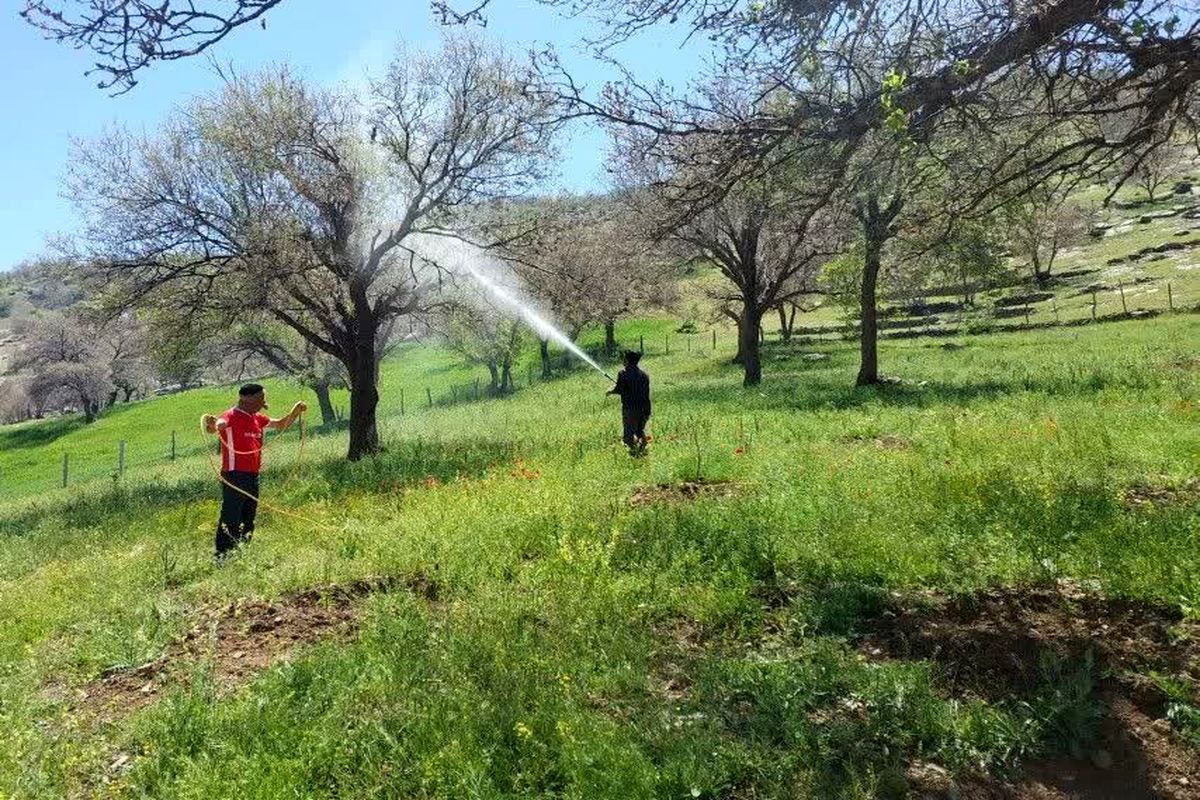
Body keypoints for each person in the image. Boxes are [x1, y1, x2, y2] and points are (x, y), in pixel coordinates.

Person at [201, 384, 306, 560]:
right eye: (261, 398)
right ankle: (223, 556)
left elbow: (280, 424)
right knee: (231, 515)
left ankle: (241, 551)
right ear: (247, 399)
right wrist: (212, 425)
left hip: (252, 475)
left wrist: (295, 412)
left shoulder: (257, 418)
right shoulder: (231, 416)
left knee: (248, 515)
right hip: (234, 475)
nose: (264, 402)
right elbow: (217, 426)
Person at [607, 350, 651, 456]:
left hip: (631, 409)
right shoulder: (644, 375)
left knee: (628, 437)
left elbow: (619, 389)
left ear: (627, 361)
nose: (623, 361)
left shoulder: (623, 374)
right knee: (639, 430)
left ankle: (635, 454)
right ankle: (642, 448)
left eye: (624, 359)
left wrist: (610, 391)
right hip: (645, 409)